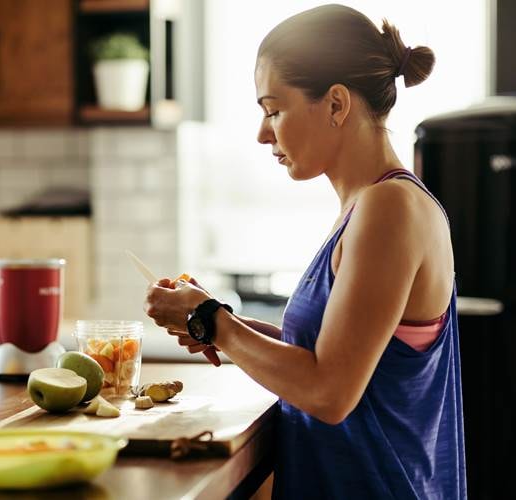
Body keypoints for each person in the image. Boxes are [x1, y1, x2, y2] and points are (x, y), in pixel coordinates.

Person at [143, 4, 466, 499]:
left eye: (274, 109)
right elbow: (336, 354)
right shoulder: (368, 206)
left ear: (337, 104)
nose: (262, 132)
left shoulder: (389, 209)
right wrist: (219, 321)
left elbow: (329, 393)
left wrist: (214, 322)